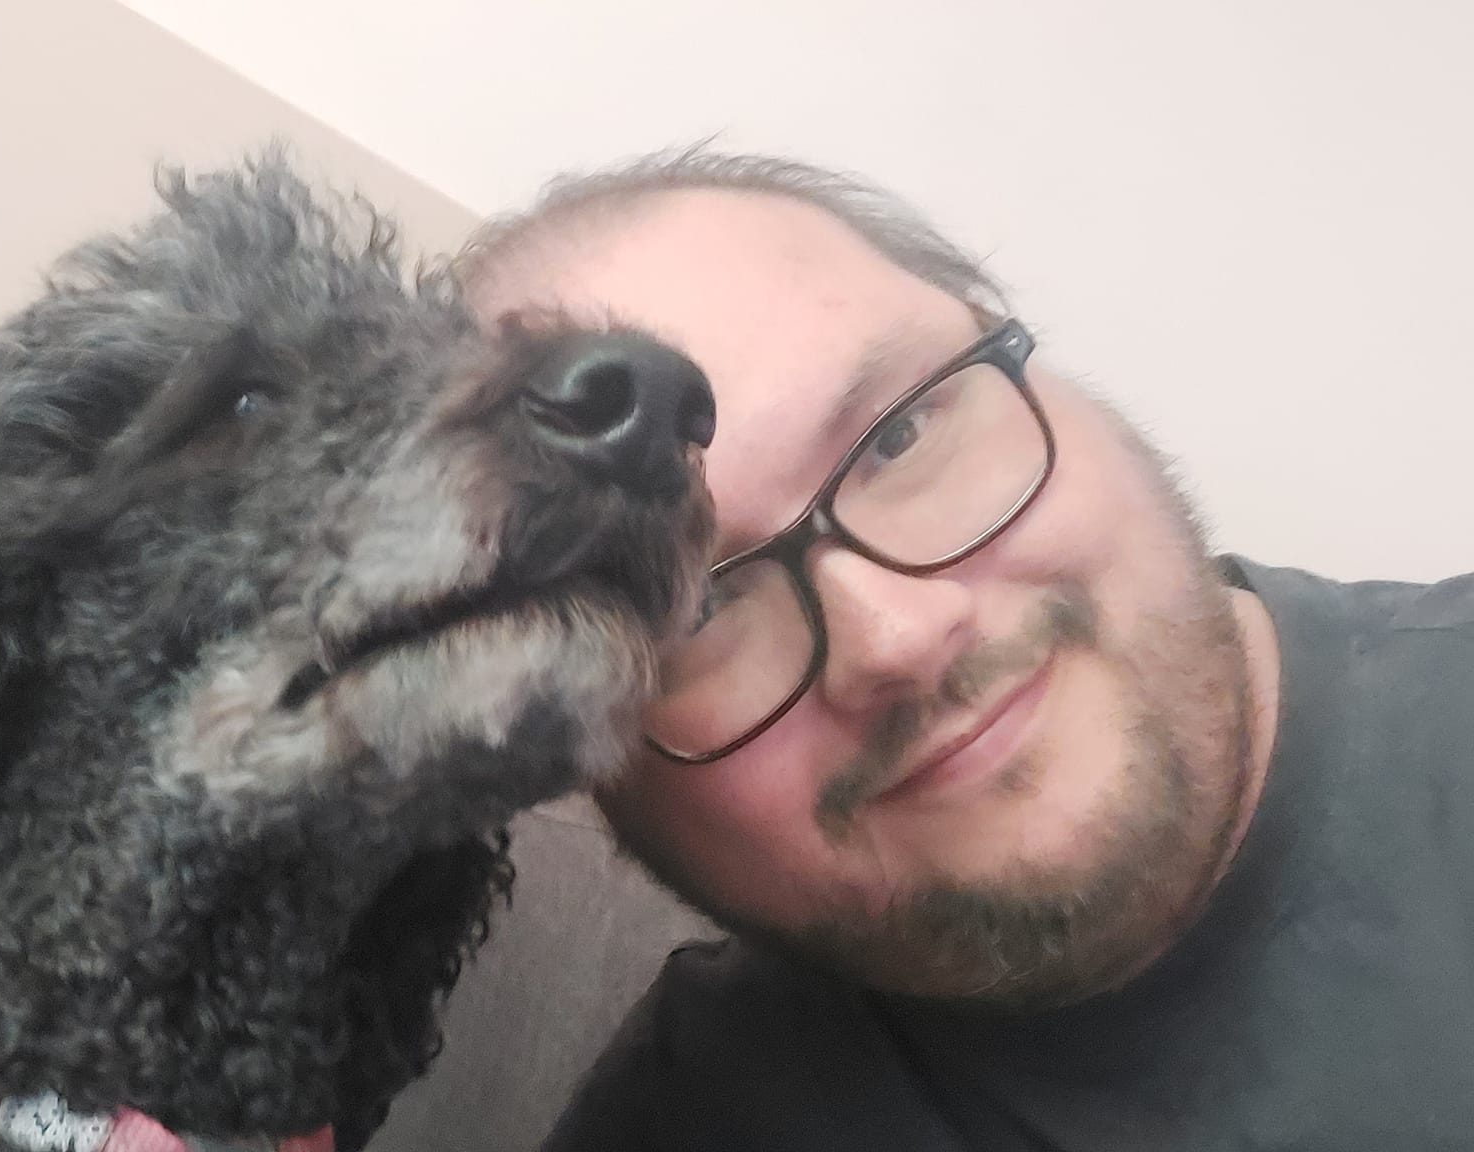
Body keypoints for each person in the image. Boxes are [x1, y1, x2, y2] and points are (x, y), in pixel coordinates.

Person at [450, 147, 1474, 1149]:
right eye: (692, 613)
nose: (896, 636)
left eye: (898, 436)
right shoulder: (696, 1114)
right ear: (585, 773)